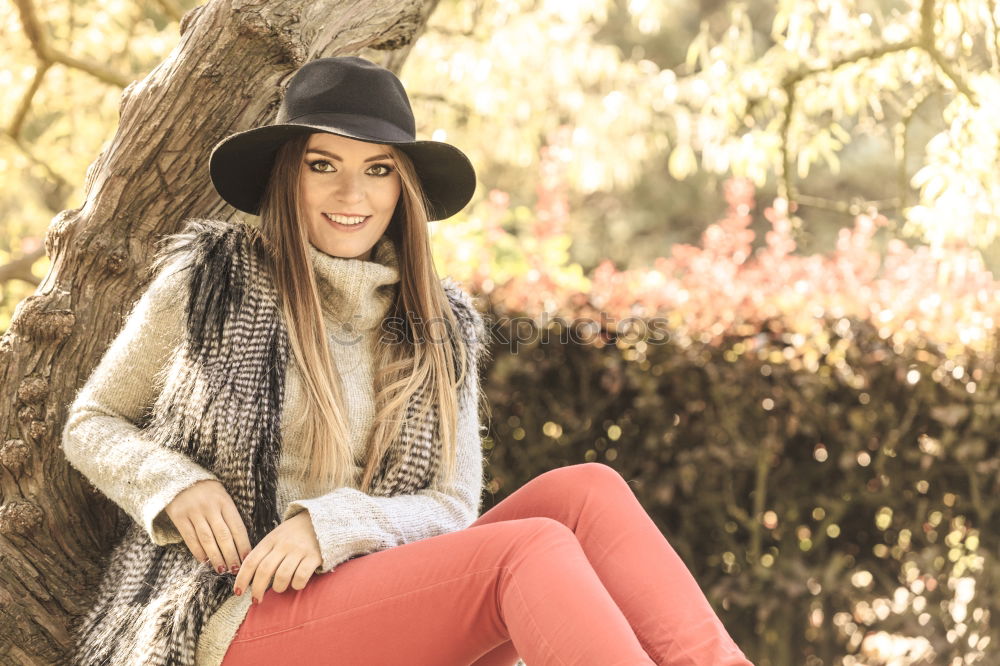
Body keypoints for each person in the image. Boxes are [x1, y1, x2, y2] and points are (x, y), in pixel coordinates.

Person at [61, 56, 753, 666]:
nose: (351, 195)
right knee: (528, 548)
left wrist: (334, 525)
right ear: (286, 174)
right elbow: (91, 420)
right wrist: (175, 484)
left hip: (387, 597)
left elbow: (452, 504)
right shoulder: (212, 281)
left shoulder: (440, 323)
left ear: (403, 190)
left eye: (378, 170)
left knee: (587, 494)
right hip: (241, 606)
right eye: (322, 164)